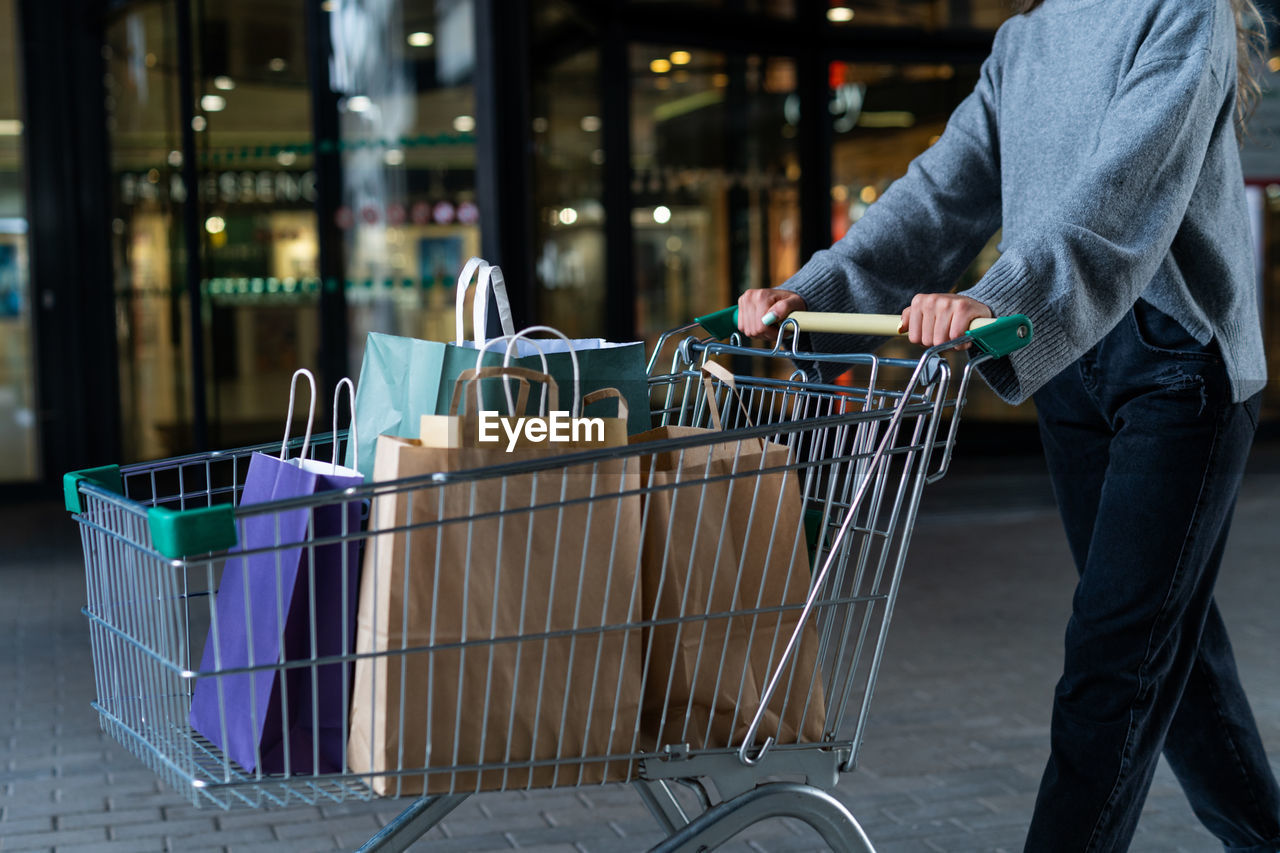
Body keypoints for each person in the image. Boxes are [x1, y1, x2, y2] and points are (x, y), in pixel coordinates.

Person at [737, 0, 1280, 850]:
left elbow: (1119, 194)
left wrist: (996, 297)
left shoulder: (1185, 11)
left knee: (1112, 663)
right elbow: (941, 191)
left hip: (1177, 368)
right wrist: (821, 289)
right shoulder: (1025, 41)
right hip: (1068, 364)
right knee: (1174, 657)